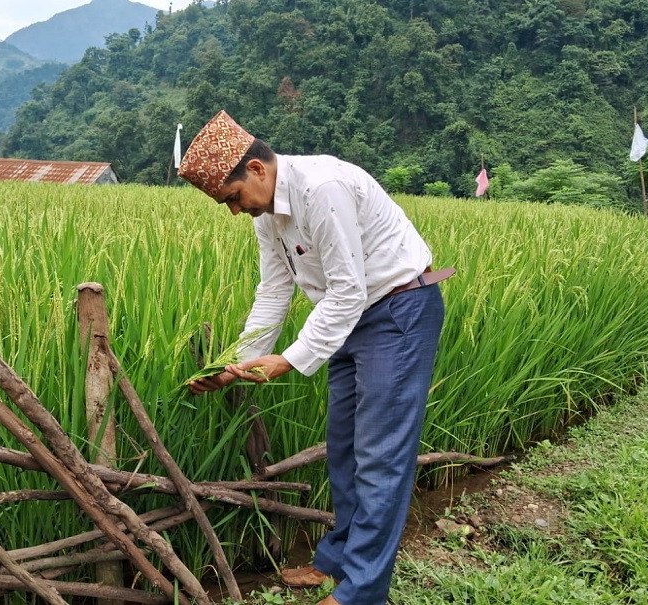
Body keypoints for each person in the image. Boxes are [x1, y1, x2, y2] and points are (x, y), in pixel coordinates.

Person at [179, 110, 452, 605]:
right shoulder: (269, 214)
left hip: (396, 311)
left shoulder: (321, 187)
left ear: (257, 170)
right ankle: (336, 563)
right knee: (344, 446)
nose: (235, 211)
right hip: (347, 319)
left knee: (381, 455)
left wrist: (287, 358)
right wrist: (235, 364)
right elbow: (275, 289)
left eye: (233, 198)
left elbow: (347, 290)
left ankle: (362, 592)